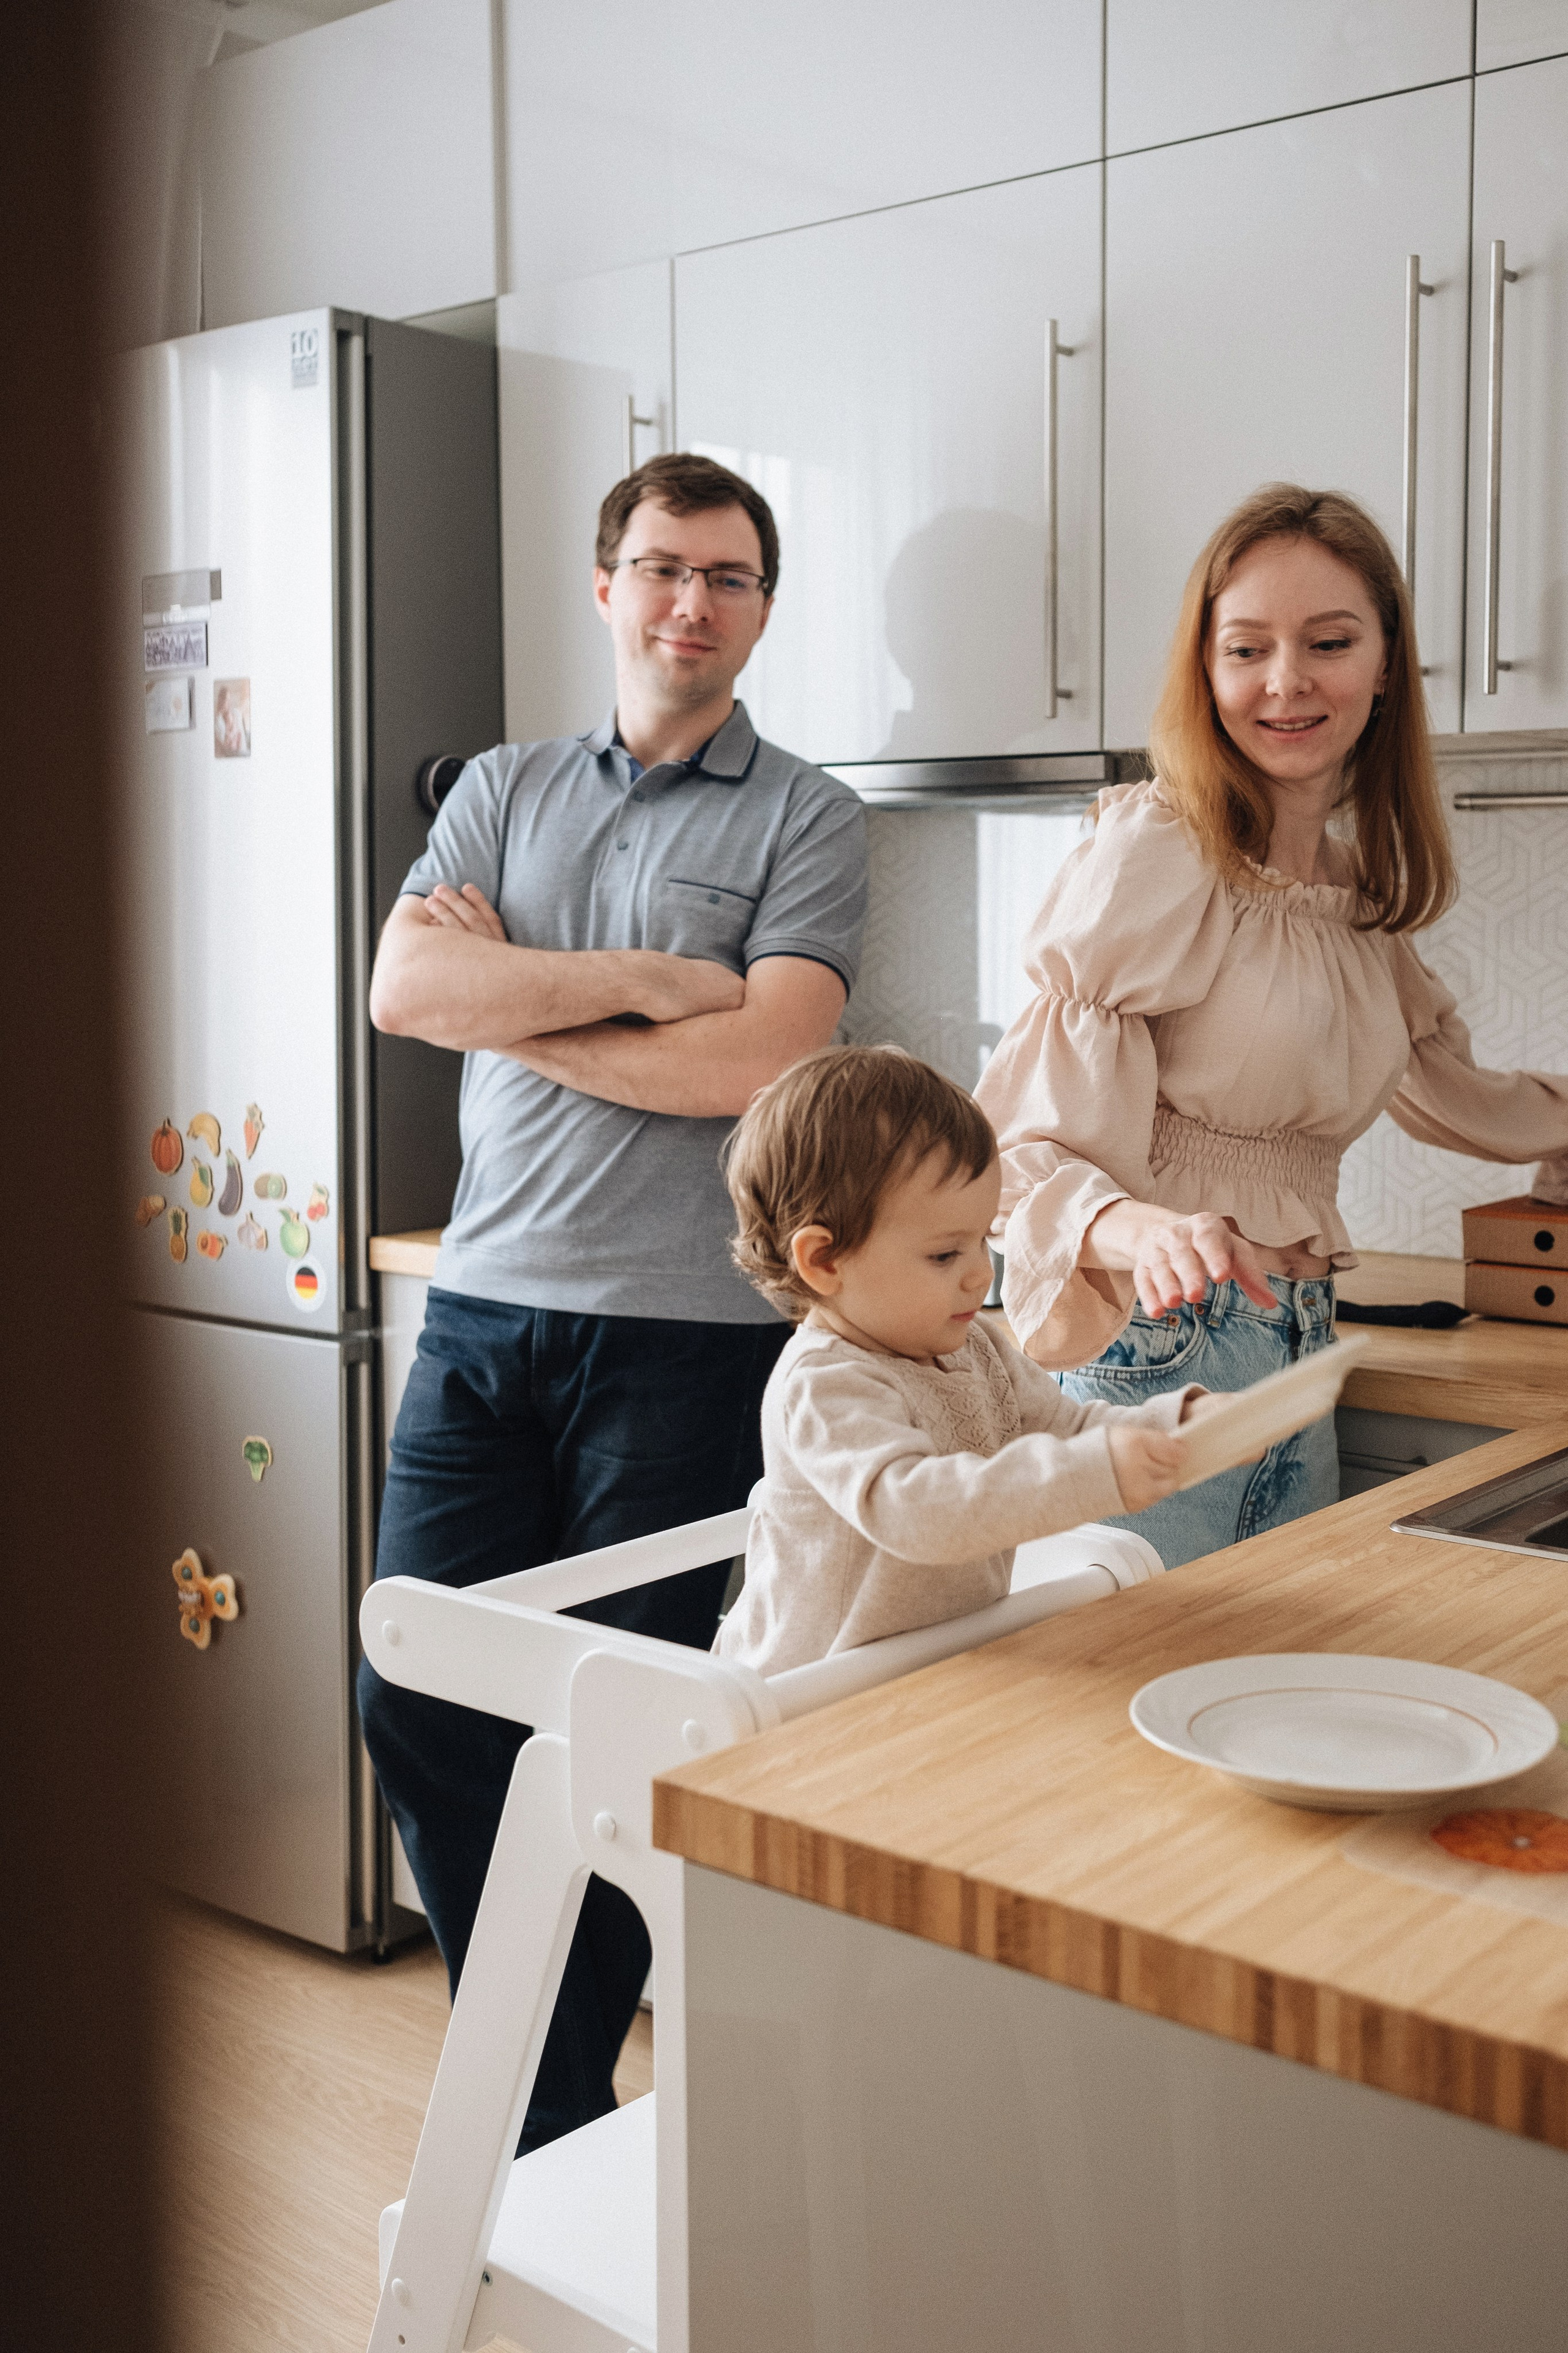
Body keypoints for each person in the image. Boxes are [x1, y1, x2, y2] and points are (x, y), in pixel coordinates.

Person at [361, 451, 868, 2147]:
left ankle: (538, 2124)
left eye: (727, 576)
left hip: (689, 1336)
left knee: (614, 1727)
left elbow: (762, 1060)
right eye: (661, 567)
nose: (689, 603)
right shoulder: (500, 788)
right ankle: (561, 2104)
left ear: (763, 608)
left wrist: (511, 1004)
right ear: (605, 586)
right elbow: (406, 985)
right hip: (482, 1312)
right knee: (414, 1691)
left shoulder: (806, 813)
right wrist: (649, 983)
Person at [976, 483, 1568, 1570]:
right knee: (1122, 1679)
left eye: (1328, 643)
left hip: (1296, 1352)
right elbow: (1017, 1160)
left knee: (1267, 1675)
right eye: (1246, 649)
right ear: (1206, 673)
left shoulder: (1350, 896)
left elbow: (1456, 1093)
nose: (1285, 681)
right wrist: (1145, 1230)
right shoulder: (1161, 849)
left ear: (1386, 666)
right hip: (1146, 1365)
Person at [716, 1044, 1207, 1677]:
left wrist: (1177, 1425)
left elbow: (1068, 1427)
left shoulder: (976, 1346)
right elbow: (918, 1511)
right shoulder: (823, 1383)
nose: (980, 1273)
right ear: (824, 1260)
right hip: (808, 1696)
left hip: (931, 1669)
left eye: (981, 1241)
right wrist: (1096, 1472)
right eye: (945, 1254)